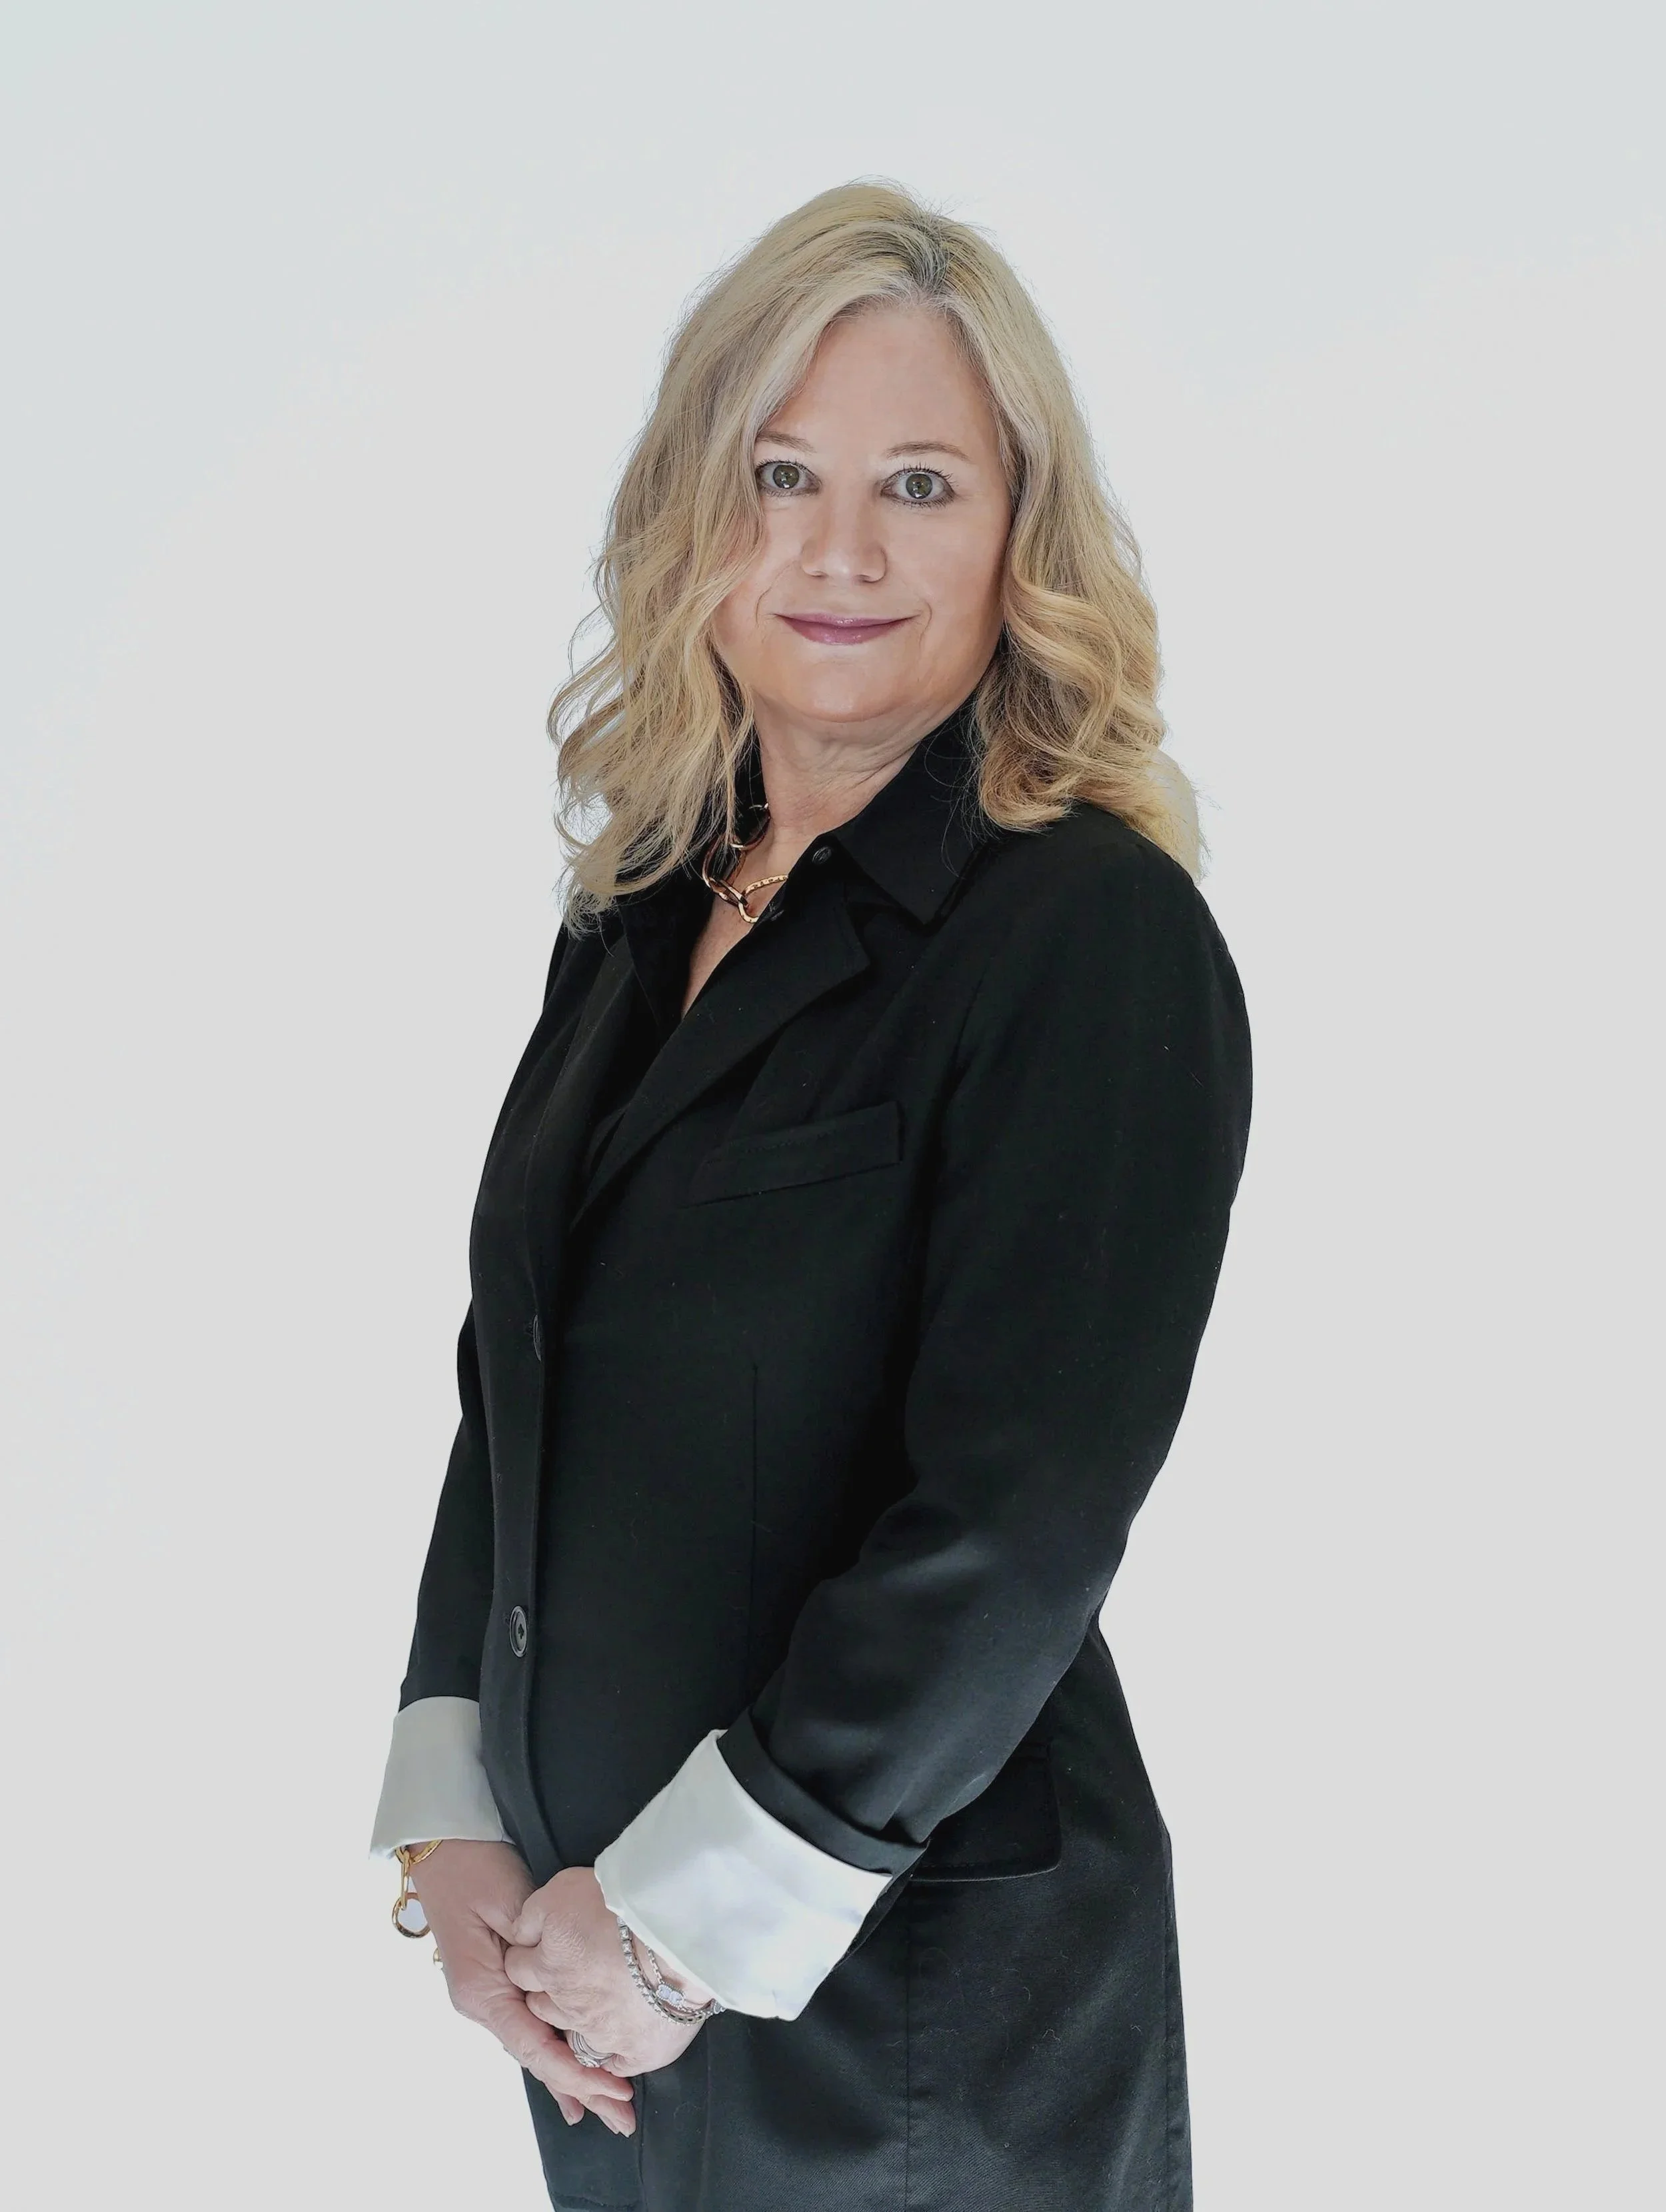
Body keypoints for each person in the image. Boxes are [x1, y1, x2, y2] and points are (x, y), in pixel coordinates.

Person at [370, 179, 1251, 2212]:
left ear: (1022, 532)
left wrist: (683, 1924)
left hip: (900, 2008)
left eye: (921, 484)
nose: (839, 549)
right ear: (696, 511)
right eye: (781, 472)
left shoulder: (1088, 936)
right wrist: (456, 1818)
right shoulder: (642, 907)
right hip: (600, 1982)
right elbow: (517, 1374)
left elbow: (1019, 1518)